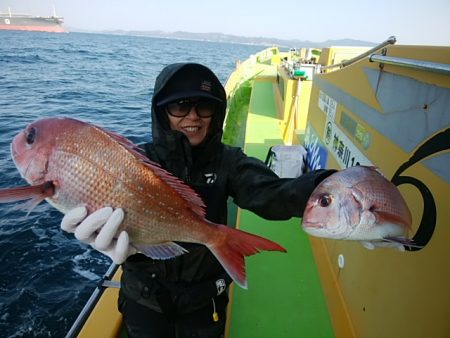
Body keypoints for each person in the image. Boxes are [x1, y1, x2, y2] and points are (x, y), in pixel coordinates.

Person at [61, 63, 336, 338]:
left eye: (204, 106)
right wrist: (110, 238)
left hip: (204, 302)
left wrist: (329, 187)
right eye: (180, 106)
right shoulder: (136, 162)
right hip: (144, 298)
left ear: (216, 113)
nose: (193, 116)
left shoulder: (229, 162)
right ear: (162, 112)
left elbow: (272, 192)